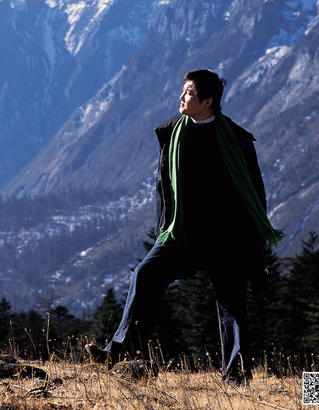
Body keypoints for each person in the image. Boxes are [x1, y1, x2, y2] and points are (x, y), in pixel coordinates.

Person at [86, 69, 283, 382]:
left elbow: (254, 192)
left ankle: (236, 377)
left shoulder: (237, 140)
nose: (181, 97)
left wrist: (252, 242)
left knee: (232, 305)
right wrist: (164, 226)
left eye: (189, 93)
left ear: (207, 101)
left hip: (226, 237)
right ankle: (118, 351)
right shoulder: (171, 133)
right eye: (184, 90)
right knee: (145, 274)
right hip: (181, 234)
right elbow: (165, 188)